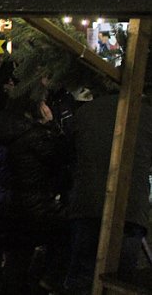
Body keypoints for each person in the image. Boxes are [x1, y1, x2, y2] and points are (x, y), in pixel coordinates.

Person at [64, 90, 152, 293]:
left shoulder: (85, 112)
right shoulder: (146, 114)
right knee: (120, 281)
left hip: (87, 205)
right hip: (130, 209)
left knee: (83, 276)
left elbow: (69, 154)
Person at [0, 95, 70, 294]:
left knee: (15, 261)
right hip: (34, 207)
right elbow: (60, 157)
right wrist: (52, 126)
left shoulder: (2, 130)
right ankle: (48, 281)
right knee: (65, 238)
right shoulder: (35, 135)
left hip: (5, 203)